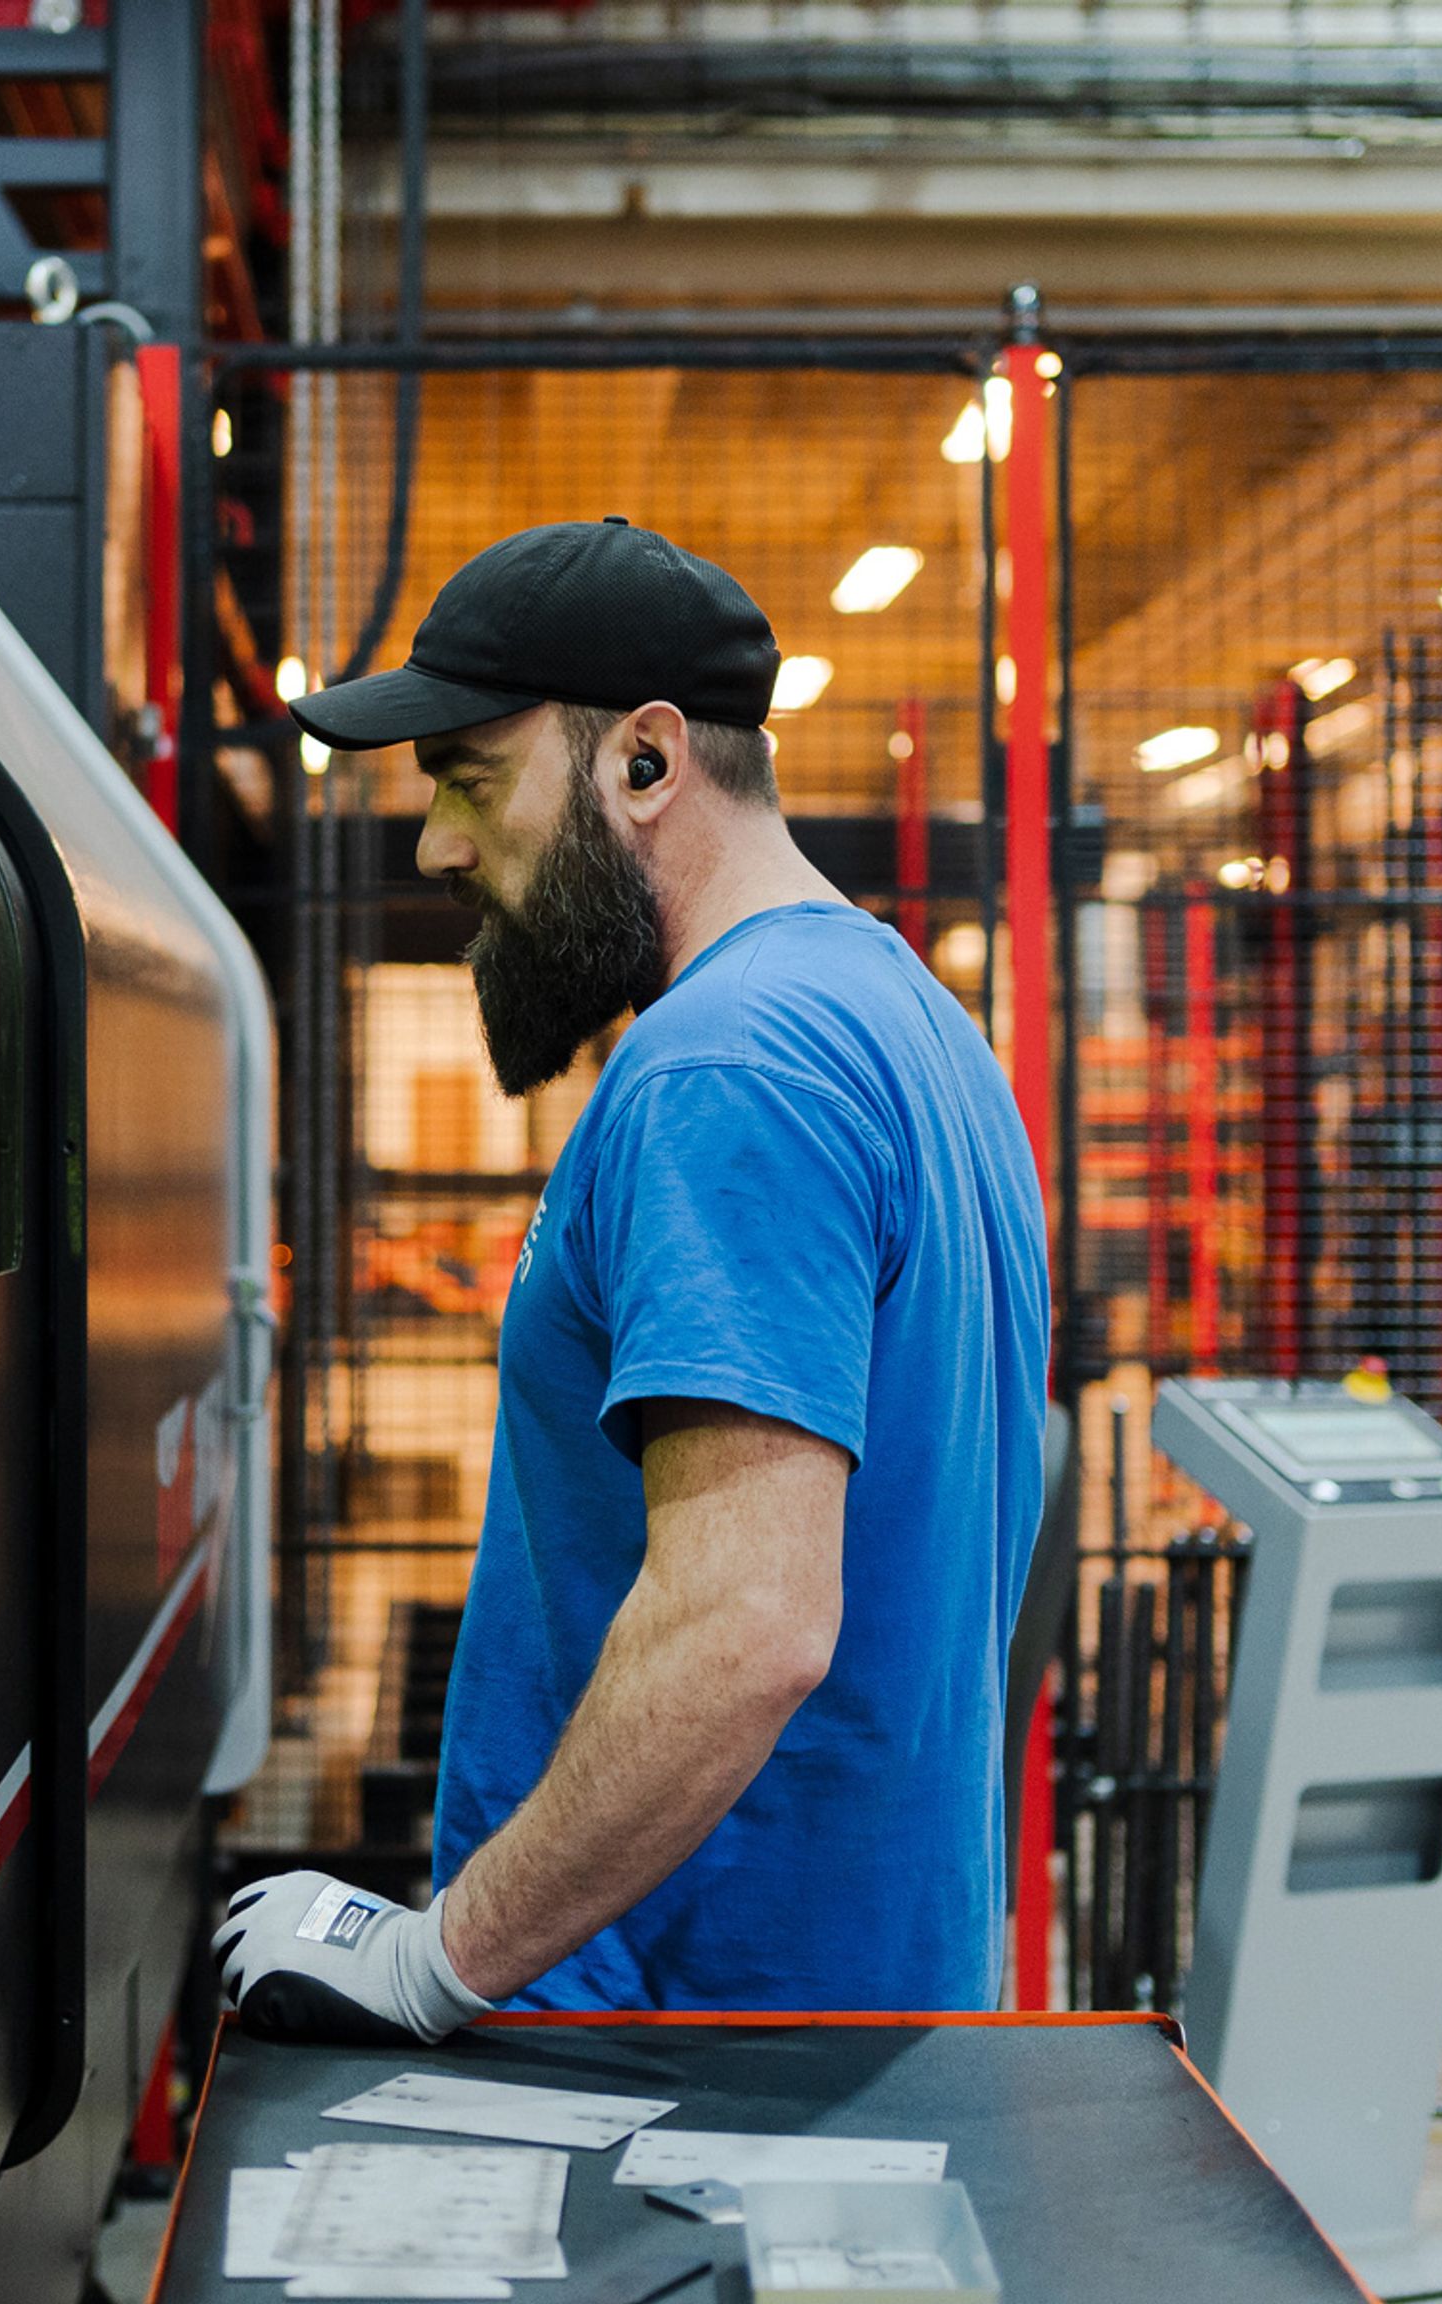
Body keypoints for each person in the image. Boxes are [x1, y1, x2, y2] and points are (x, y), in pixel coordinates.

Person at [213, 519, 1049, 2040]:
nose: (439, 849)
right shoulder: (907, 1020)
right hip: (846, 2008)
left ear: (646, 764)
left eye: (470, 780)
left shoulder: (724, 1068)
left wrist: (433, 1958)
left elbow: (749, 1623)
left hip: (690, 2031)